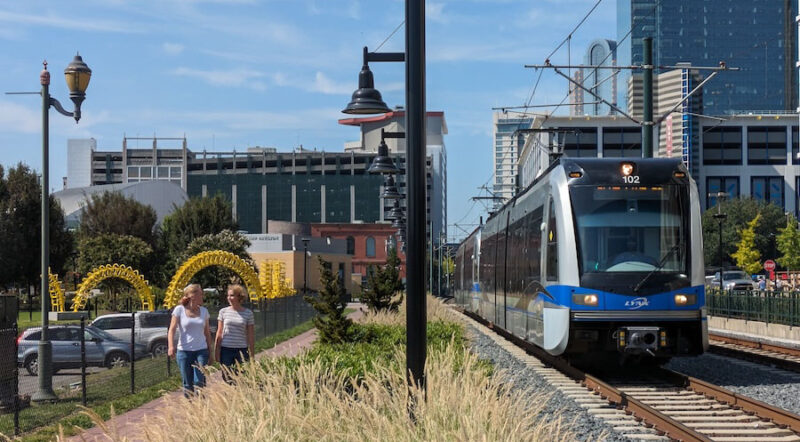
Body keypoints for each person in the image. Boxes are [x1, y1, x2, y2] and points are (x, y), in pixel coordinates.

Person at [168, 283, 214, 397]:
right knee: (187, 383)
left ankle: (201, 405)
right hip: (184, 351)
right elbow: (172, 329)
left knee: (199, 380)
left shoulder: (204, 311)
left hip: (201, 350)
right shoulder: (179, 310)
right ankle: (190, 407)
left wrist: (210, 351)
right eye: (200, 294)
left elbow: (207, 333)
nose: (202, 296)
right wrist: (170, 346)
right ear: (192, 295)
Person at [214, 284, 255, 382]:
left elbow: (250, 335)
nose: (229, 298)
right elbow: (219, 332)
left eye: (232, 295)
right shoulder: (223, 312)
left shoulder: (248, 313)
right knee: (227, 376)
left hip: (241, 349)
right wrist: (216, 350)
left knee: (242, 376)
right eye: (228, 296)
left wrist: (252, 353)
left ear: (239, 296)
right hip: (226, 349)